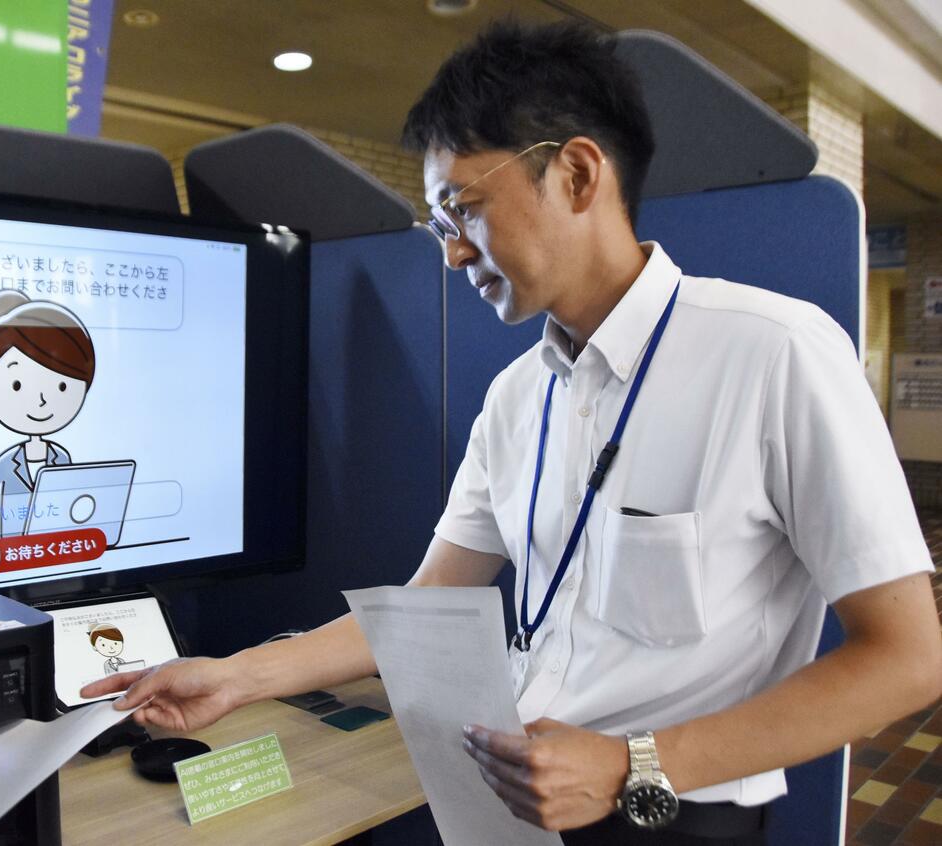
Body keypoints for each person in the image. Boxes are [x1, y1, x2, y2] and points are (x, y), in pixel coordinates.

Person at [81, 20, 941, 844]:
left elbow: (907, 659)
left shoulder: (773, 353)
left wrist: (631, 765)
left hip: (670, 815)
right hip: (516, 798)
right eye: (440, 225)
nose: (452, 252)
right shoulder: (518, 396)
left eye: (463, 209)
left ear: (577, 175)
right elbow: (427, 605)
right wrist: (236, 677)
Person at [0, 290, 96, 538]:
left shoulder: (61, 458)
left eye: (62, 386)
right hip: (12, 553)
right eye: (17, 385)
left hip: (54, 548)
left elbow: (69, 510)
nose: (41, 401)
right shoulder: (4, 465)